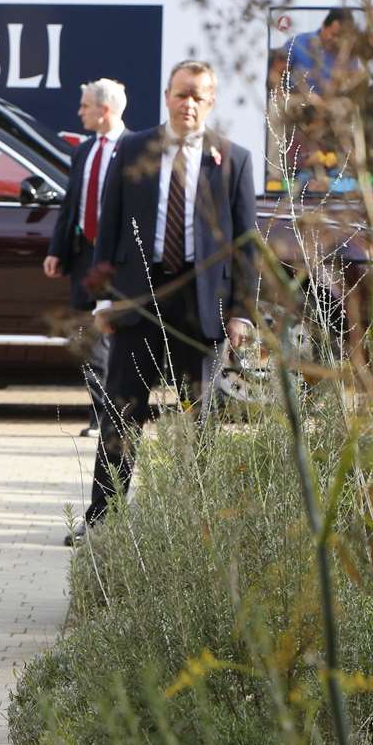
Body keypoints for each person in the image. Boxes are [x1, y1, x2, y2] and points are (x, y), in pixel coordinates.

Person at [71, 60, 257, 546]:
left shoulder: (232, 159)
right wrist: (102, 301)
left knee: (204, 421)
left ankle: (201, 526)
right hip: (140, 300)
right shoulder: (135, 149)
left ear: (210, 101)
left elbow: (245, 245)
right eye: (180, 94)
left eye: (197, 96)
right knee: (121, 411)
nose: (187, 104)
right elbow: (108, 227)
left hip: (203, 305)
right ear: (167, 96)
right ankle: (104, 520)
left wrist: (240, 312)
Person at [44, 78, 128, 439]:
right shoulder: (84, 151)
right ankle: (99, 414)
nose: (79, 113)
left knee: (112, 334)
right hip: (83, 255)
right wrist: (56, 250)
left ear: (104, 109)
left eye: (84, 106)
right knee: (86, 334)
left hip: (117, 260)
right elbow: (71, 204)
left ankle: (118, 413)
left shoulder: (134, 149)